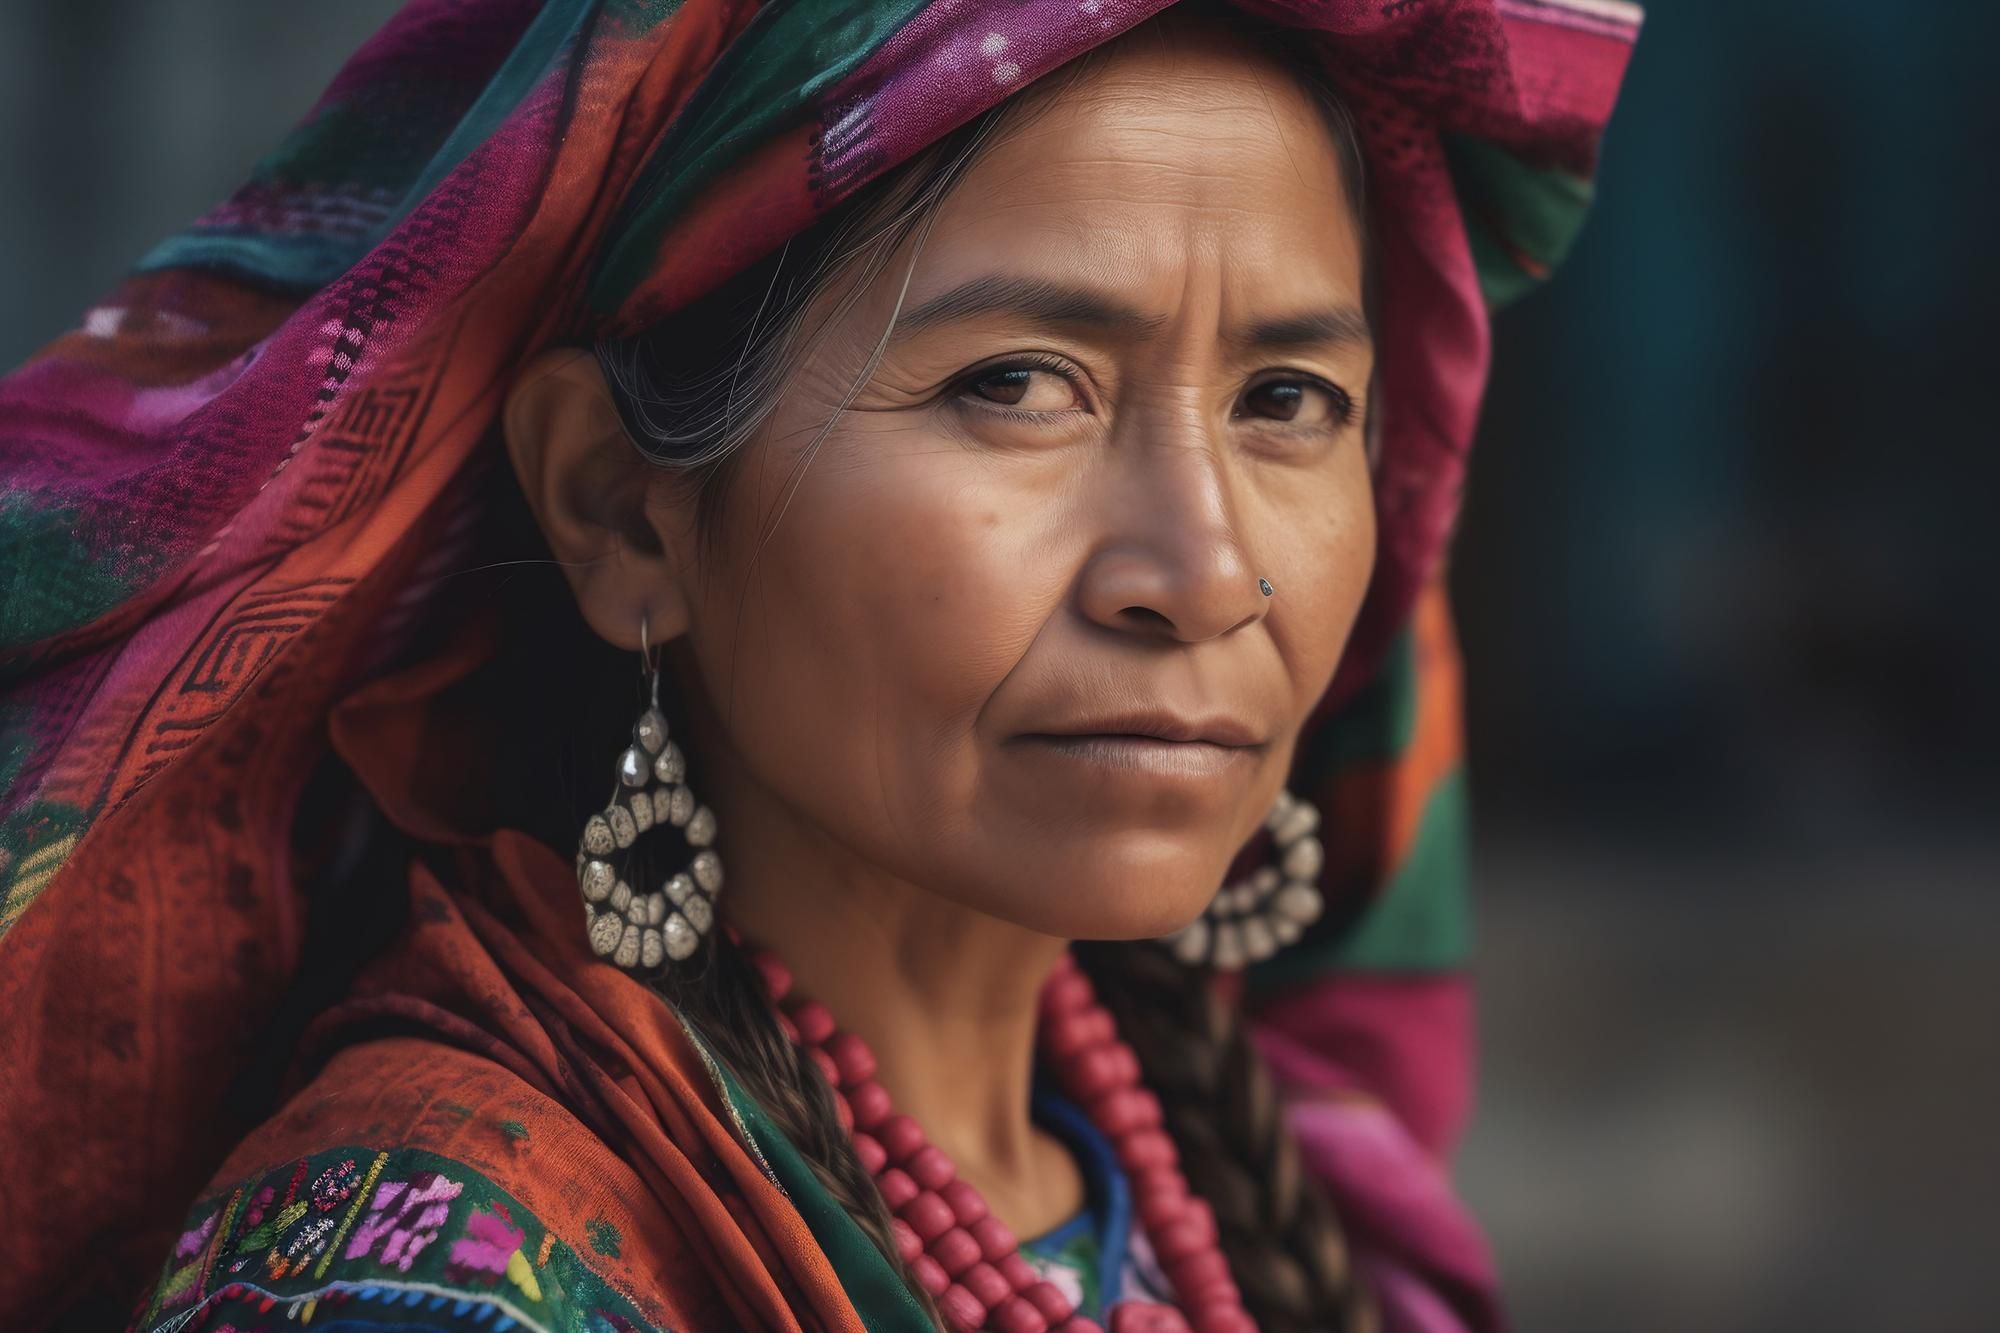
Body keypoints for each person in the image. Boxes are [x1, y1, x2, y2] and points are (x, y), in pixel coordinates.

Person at [0, 1, 1638, 1329]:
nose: (1205, 573)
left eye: (1288, 401)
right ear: (622, 511)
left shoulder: (1256, 1201)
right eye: (1019, 382)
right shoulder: (424, 1275)